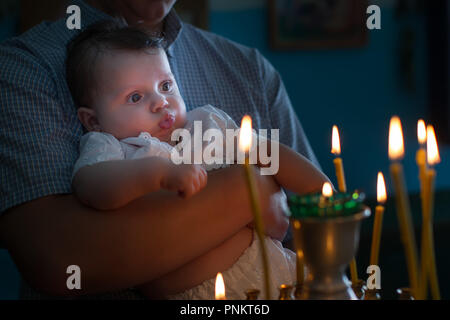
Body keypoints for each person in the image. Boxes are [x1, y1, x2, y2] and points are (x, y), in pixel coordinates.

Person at [0, 0, 324, 299]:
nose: (161, 103)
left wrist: (321, 192)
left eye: (167, 87)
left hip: (278, 279)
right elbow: (72, 234)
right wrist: (247, 190)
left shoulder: (215, 113)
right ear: (93, 121)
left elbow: (275, 159)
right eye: (135, 98)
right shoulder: (115, 146)